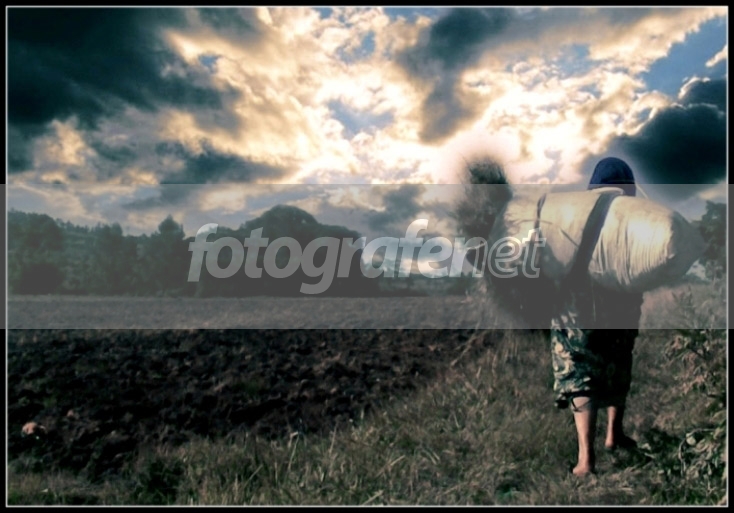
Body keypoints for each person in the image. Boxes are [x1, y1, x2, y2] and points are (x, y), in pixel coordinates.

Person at [550, 157, 644, 476]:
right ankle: (614, 435)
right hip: (622, 301)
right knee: (618, 361)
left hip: (577, 304)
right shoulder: (634, 218)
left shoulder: (573, 215)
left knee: (581, 371)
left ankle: (586, 460)